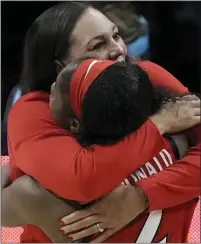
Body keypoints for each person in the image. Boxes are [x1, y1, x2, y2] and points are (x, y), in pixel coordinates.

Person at [2, 2, 200, 243]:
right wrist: (159, 127)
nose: (118, 50)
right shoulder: (33, 111)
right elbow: (82, 180)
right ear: (60, 67)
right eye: (98, 45)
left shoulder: (145, 73)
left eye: (116, 35)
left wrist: (142, 197)